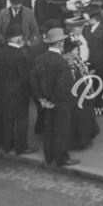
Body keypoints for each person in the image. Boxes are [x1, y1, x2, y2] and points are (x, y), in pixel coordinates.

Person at [31, 27, 79, 167]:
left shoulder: (40, 59)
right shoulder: (61, 61)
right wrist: (52, 100)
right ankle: (61, 158)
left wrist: (42, 99)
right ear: (60, 43)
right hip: (60, 102)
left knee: (49, 129)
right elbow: (62, 86)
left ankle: (49, 156)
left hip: (45, 102)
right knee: (61, 130)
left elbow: (34, 80)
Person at [0, 25, 36, 155]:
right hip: (19, 93)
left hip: (3, 92)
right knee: (21, 121)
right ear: (17, 39)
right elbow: (25, 77)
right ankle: (21, 147)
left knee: (7, 119)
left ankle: (7, 145)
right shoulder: (21, 56)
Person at [62, 36, 100, 150]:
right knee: (77, 118)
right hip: (76, 94)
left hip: (83, 92)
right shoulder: (67, 61)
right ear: (69, 50)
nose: (78, 51)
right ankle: (78, 142)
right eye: (75, 49)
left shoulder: (76, 59)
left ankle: (85, 139)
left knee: (84, 116)